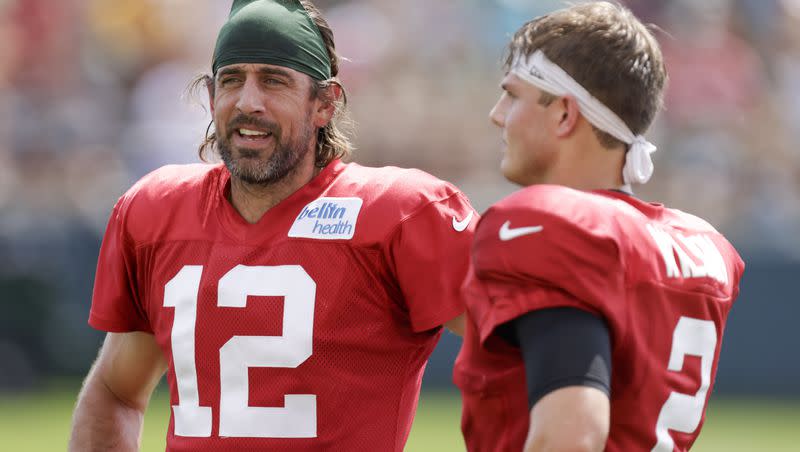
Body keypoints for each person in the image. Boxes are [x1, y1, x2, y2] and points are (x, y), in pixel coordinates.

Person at [68, 1, 477, 451]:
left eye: (273, 81)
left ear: (325, 103)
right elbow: (115, 391)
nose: (248, 101)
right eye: (232, 80)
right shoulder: (156, 211)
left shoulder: (399, 213)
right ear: (210, 97)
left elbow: (525, 351)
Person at [453, 2, 745, 452]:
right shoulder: (700, 245)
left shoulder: (548, 226)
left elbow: (571, 436)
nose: (497, 113)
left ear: (565, 115)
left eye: (512, 95)